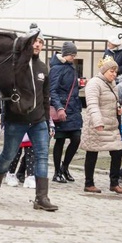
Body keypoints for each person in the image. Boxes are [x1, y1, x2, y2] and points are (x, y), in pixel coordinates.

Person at [0, 30, 58, 211]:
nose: (37, 45)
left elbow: (46, 97)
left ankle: (41, 198)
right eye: (34, 42)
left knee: (42, 156)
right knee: (8, 156)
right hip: (16, 120)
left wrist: (48, 121)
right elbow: (1, 85)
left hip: (38, 121)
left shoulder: (43, 68)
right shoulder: (15, 64)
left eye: (40, 42)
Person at [80, 57, 122, 194]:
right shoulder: (94, 83)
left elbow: (113, 102)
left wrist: (119, 109)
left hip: (111, 124)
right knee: (92, 152)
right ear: (104, 70)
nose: (114, 74)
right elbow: (92, 104)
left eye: (115, 72)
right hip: (97, 124)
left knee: (117, 152)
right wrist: (98, 121)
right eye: (111, 71)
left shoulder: (113, 85)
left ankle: (114, 183)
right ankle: (89, 183)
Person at [49, 41, 82, 184]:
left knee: (76, 139)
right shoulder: (56, 68)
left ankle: (65, 167)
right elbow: (52, 90)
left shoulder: (71, 67)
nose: (73, 57)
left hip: (73, 109)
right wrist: (59, 107)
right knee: (60, 141)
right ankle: (57, 172)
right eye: (71, 55)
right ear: (65, 54)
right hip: (62, 110)